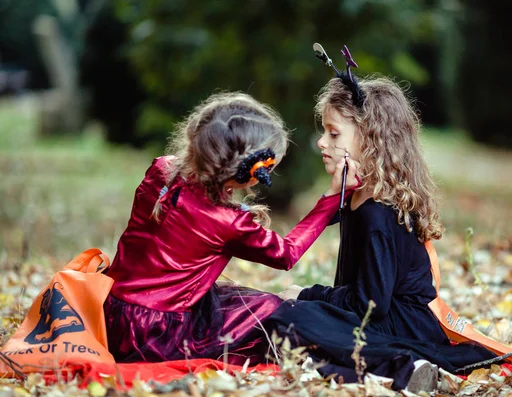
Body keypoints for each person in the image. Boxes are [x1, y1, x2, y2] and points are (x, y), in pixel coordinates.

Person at [266, 73, 500, 391]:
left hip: (402, 326)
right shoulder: (357, 197)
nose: (322, 142)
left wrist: (308, 295)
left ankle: (407, 364)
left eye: (334, 134)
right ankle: (362, 363)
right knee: (290, 316)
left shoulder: (378, 212)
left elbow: (370, 305)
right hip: (377, 318)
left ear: (370, 139)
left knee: (290, 318)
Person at [103, 91, 358, 365]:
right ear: (252, 170)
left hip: (112, 311)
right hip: (155, 334)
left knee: (234, 299)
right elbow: (286, 254)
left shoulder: (162, 169)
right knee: (275, 310)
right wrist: (333, 196)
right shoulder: (226, 220)